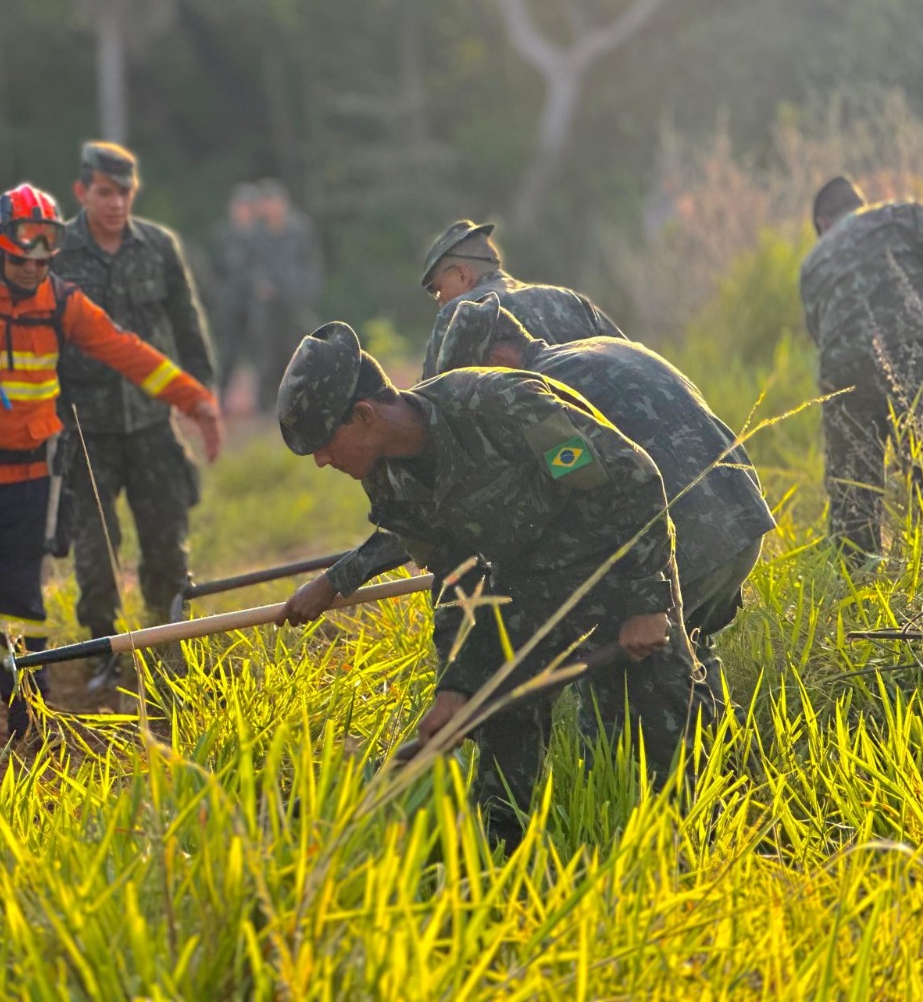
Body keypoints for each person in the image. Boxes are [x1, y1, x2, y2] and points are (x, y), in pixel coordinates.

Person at [276, 322, 697, 847]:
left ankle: (674, 854)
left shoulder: (498, 403)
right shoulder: (388, 480)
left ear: (363, 415)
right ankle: (502, 861)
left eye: (323, 444)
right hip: (528, 588)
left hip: (622, 560)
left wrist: (646, 601)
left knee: (655, 731)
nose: (321, 461)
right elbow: (456, 581)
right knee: (501, 717)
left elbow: (630, 483)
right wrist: (457, 686)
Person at [0, 183, 223, 755]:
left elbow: (126, 350)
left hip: (27, 478)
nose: (36, 264)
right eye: (25, 252)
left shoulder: (60, 301)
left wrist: (193, 399)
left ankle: (26, 712)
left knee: (23, 603)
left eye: (47, 251)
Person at [433, 293, 774, 698]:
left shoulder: (541, 395)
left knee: (615, 692)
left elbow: (577, 485)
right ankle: (727, 754)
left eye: (477, 382)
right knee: (689, 650)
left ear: (501, 359)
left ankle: (673, 753)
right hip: (743, 520)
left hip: (686, 540)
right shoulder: (602, 349)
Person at [52, 142, 219, 692]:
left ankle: (169, 652)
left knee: (166, 544)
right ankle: (103, 651)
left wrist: (200, 398)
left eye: (125, 192)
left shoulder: (159, 246)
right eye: (105, 192)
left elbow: (186, 324)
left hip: (151, 423)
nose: (117, 202)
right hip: (87, 427)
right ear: (82, 192)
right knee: (95, 554)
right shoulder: (58, 254)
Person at [799, 176, 923, 562]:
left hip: (841, 376)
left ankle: (856, 597)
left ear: (823, 225)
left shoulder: (813, 262)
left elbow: (819, 332)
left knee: (853, 505)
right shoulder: (906, 215)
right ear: (858, 205)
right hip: (913, 354)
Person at [419, 220, 624, 376]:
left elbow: (426, 412)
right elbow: (630, 360)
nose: (440, 301)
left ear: (462, 274)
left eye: (438, 290)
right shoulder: (573, 302)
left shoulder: (459, 315)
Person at [250, 178, 322, 412]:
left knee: (298, 350)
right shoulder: (257, 234)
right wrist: (259, 283)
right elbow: (248, 266)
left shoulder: (299, 229)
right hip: (268, 304)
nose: (268, 207)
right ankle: (266, 404)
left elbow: (312, 263)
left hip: (295, 300)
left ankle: (300, 399)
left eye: (271, 201)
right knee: (267, 352)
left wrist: (307, 292)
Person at [209, 183, 262, 406]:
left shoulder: (262, 236)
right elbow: (214, 269)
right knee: (228, 352)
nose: (242, 210)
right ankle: (221, 398)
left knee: (261, 352)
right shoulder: (223, 234)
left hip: (256, 303)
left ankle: (263, 401)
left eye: (247, 206)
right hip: (230, 302)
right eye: (239, 205)